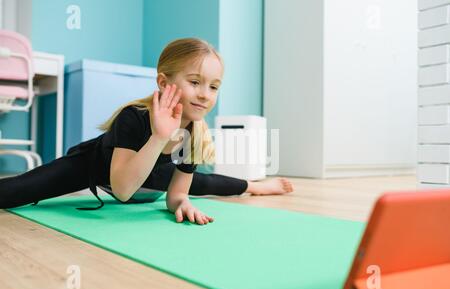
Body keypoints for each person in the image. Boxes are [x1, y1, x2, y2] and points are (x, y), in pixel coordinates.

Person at [0, 38, 293, 225]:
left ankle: (254, 186)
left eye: (213, 86)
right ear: (164, 83)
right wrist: (159, 137)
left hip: (151, 176)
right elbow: (124, 191)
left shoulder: (192, 133)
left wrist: (183, 203)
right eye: (195, 82)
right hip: (97, 169)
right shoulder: (133, 118)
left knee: (200, 183)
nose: (205, 94)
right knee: (16, 191)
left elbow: (177, 196)